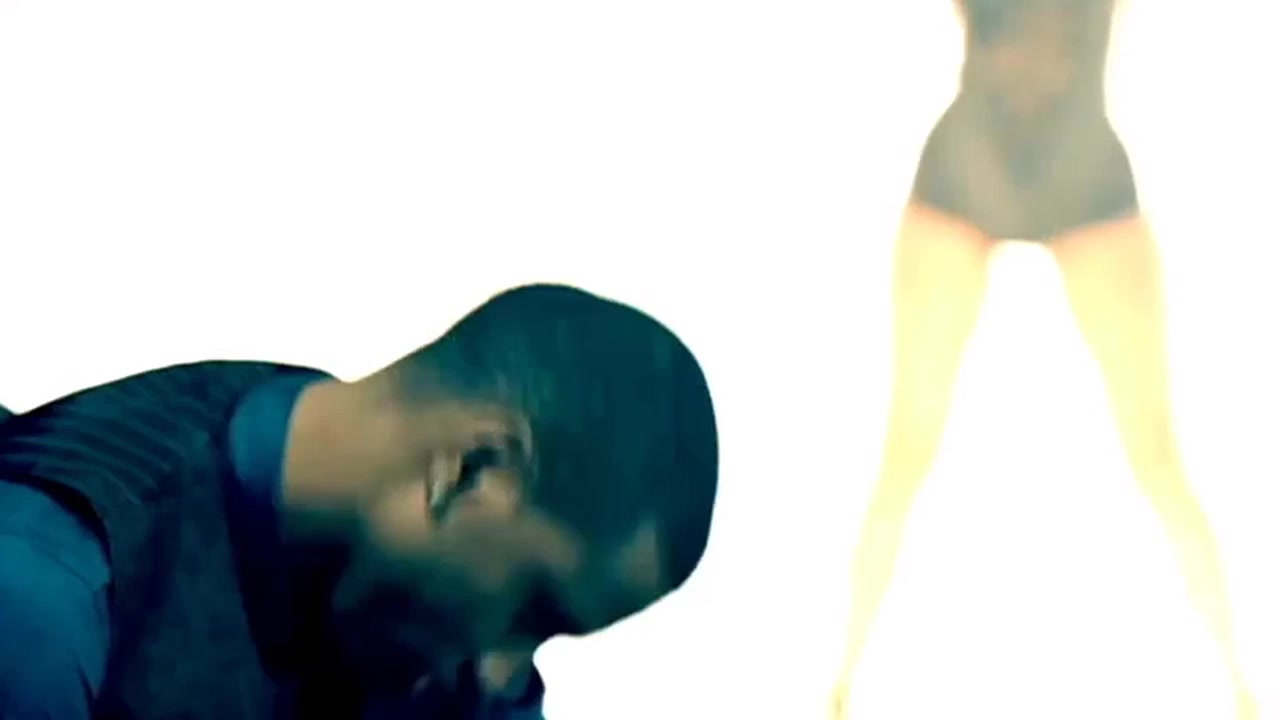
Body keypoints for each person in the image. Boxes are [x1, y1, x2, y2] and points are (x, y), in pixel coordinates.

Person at [0, 283, 719, 720]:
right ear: (470, 468)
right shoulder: (49, 601)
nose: (502, 675)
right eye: (532, 609)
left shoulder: (415, 630)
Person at [828, 1, 1255, 718]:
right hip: (967, 174)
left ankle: (1244, 689)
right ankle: (837, 688)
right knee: (905, 452)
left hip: (1082, 179)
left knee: (1157, 457)